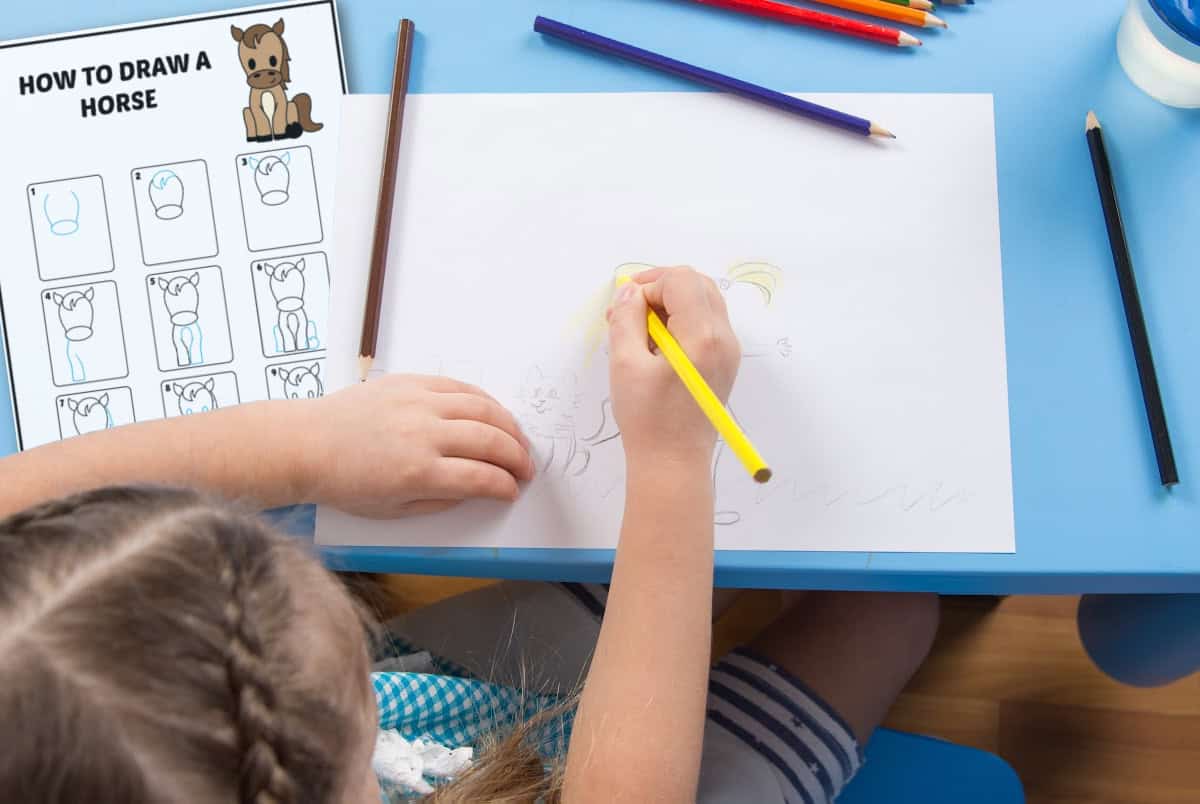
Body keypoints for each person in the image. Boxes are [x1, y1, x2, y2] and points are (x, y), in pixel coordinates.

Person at [0, 268, 938, 802]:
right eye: (347, 673)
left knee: (667, 572)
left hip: (447, 722)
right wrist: (670, 468)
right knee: (885, 616)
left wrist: (303, 444)